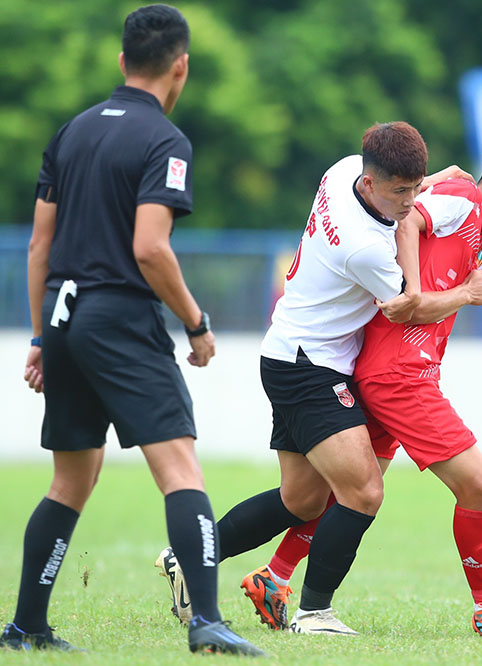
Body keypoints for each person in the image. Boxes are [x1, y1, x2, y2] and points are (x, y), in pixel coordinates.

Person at [239, 129, 482, 638]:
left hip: (366, 365)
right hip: (397, 377)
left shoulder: (481, 232)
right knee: (477, 485)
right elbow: (413, 220)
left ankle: (275, 576)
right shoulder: (461, 203)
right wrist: (434, 291)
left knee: (332, 494)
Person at [0, 4, 263, 656]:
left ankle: (27, 625)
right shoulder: (165, 141)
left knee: (71, 479)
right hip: (120, 316)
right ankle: (206, 620)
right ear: (182, 66)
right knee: (180, 470)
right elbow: (151, 248)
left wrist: (41, 337)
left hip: (63, 314)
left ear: (122, 62)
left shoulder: (72, 132)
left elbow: (40, 245)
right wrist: (196, 322)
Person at [154, 122, 472, 636]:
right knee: (364, 491)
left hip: (288, 354)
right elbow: (410, 309)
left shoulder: (344, 168)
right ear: (371, 184)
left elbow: (404, 203)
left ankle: (189, 556)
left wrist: (428, 183)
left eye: (416, 187)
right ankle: (314, 612)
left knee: (301, 499)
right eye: (401, 191)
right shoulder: (364, 247)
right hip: (311, 368)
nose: (412, 202)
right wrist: (467, 292)